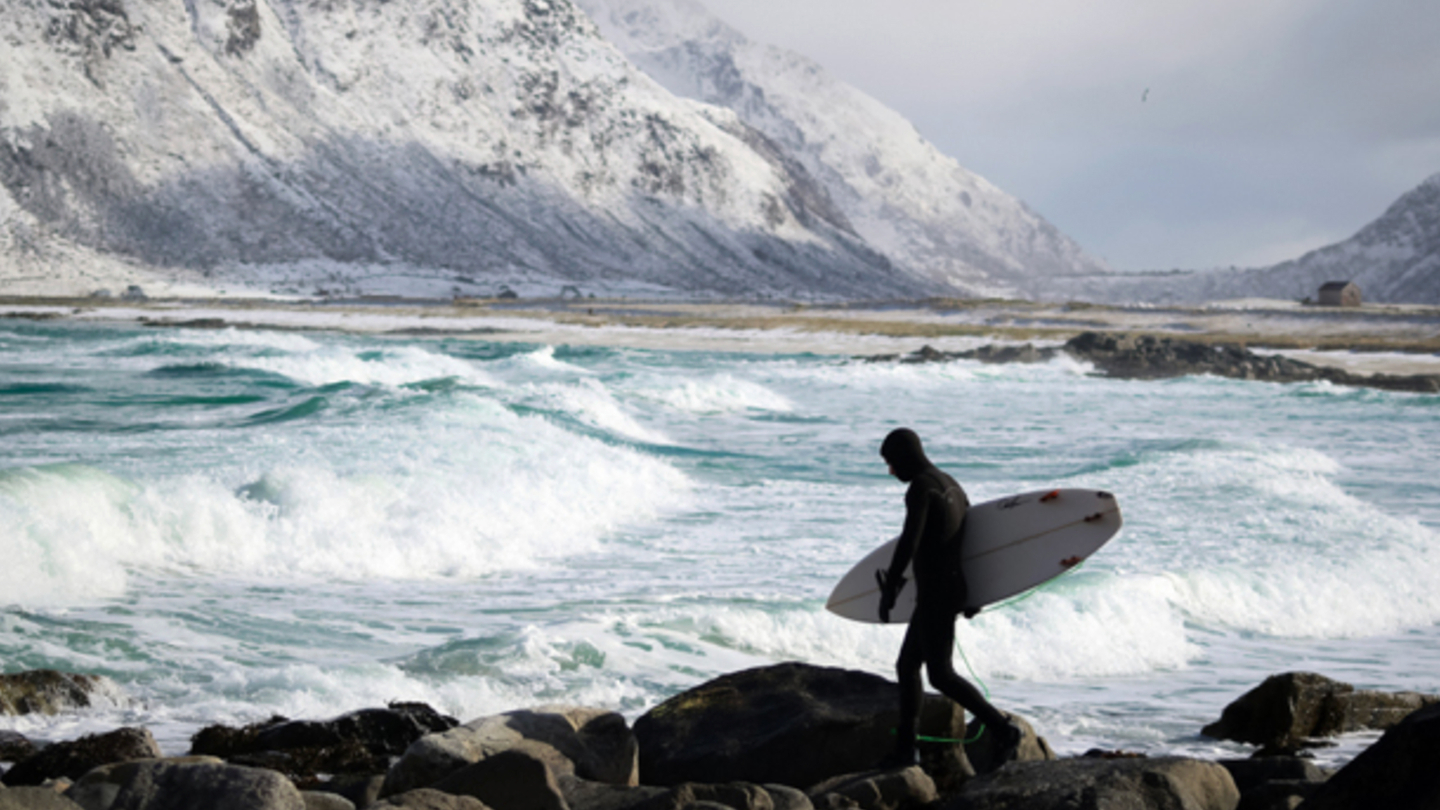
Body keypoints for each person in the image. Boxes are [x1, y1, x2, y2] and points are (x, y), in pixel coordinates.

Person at [875, 427, 1021, 769]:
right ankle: (906, 749)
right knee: (907, 665)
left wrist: (891, 586)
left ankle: (1003, 729)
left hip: (936, 593)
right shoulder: (952, 485)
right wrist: (974, 594)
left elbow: (909, 542)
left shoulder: (921, 488)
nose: (891, 471)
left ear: (906, 457)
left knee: (940, 674)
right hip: (950, 588)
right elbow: (969, 545)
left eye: (892, 463)